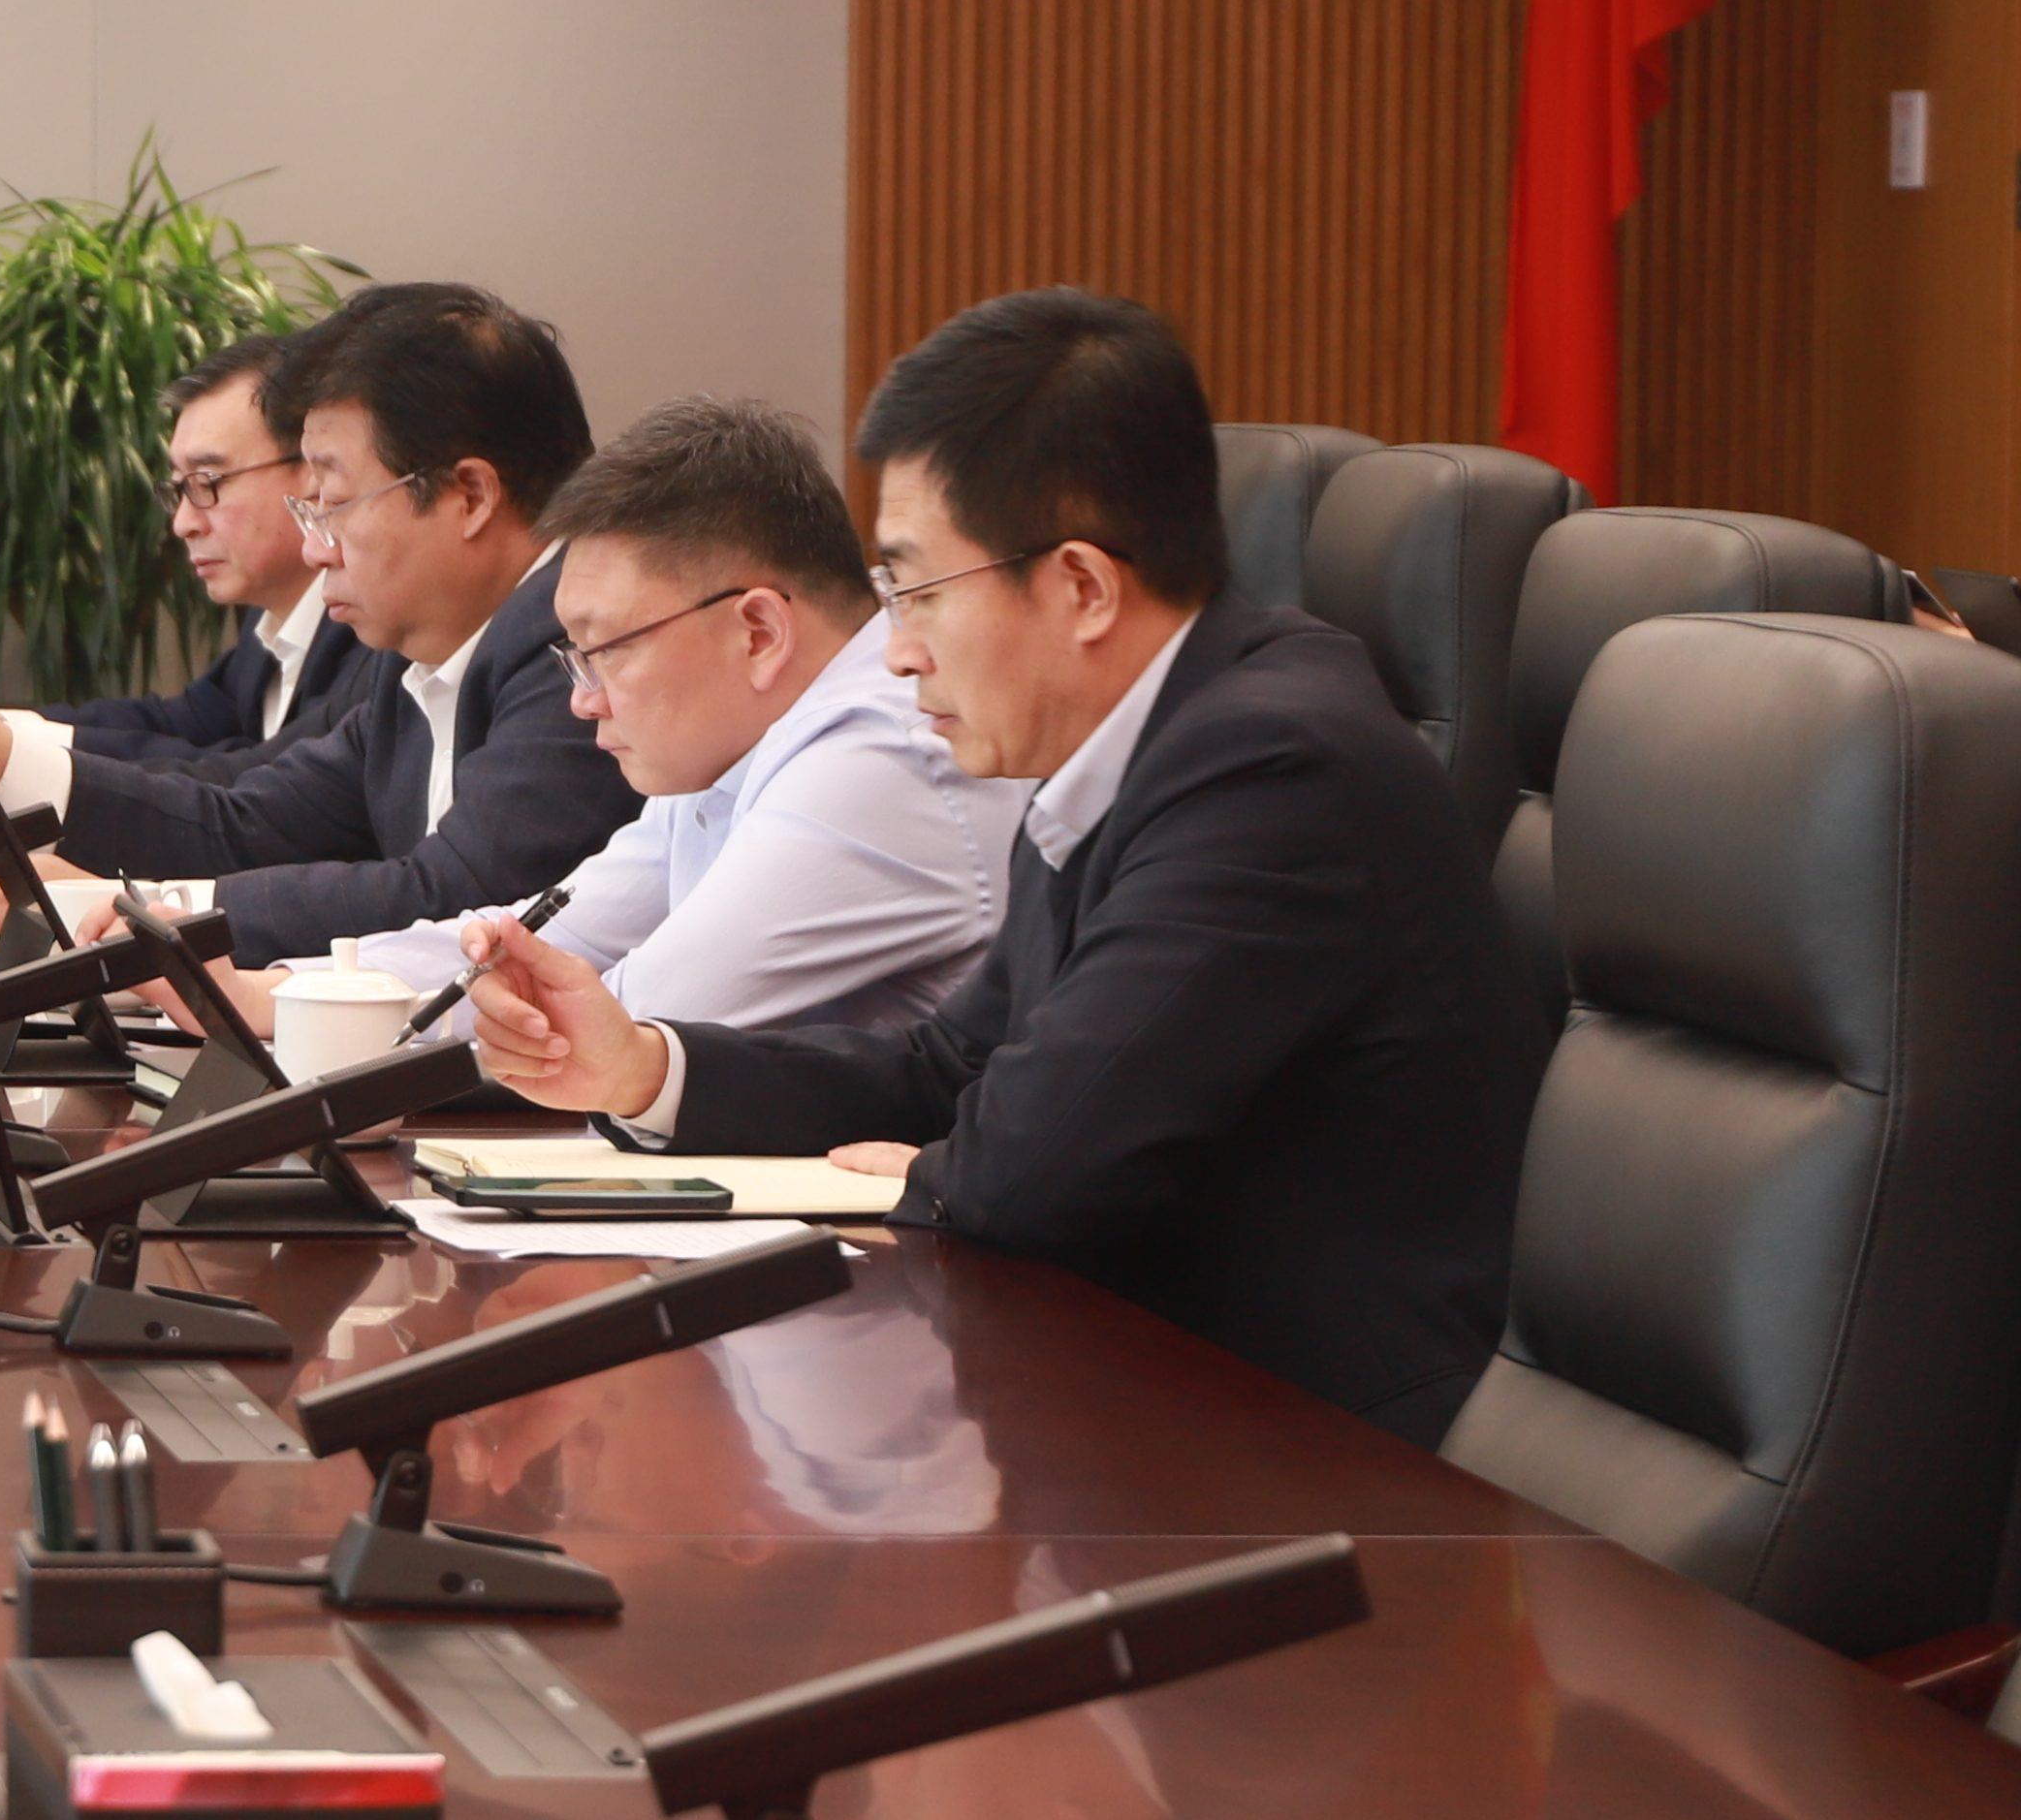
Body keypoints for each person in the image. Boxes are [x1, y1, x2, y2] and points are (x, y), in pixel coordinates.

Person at [457, 289, 1547, 1444]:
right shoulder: (1127, 737)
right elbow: (953, 1067)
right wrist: (643, 1068)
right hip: (1142, 1388)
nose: (896, 651)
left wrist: (941, 1168)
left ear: (1079, 587)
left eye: (917, 593)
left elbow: (1025, 1172)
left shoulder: (1269, 769)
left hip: (1325, 1452)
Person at [0, 280, 640, 960]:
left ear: (470, 495)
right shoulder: (416, 658)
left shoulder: (580, 648)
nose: (316, 548)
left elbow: (452, 899)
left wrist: (130, 908)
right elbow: (245, 822)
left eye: (332, 502)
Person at [320, 395, 1014, 1032]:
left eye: (606, 650)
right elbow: (551, 939)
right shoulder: (727, 752)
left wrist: (329, 1021)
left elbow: (618, 1028)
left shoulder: (878, 756)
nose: (582, 698)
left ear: (758, 634)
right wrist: (291, 991)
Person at [61, 329, 394, 775]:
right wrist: (0, 734)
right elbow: (177, 724)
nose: (183, 523)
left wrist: (11, 758)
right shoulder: (267, 620)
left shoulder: (381, 640)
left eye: (207, 483)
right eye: (179, 489)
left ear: (315, 470)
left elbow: (256, 786)